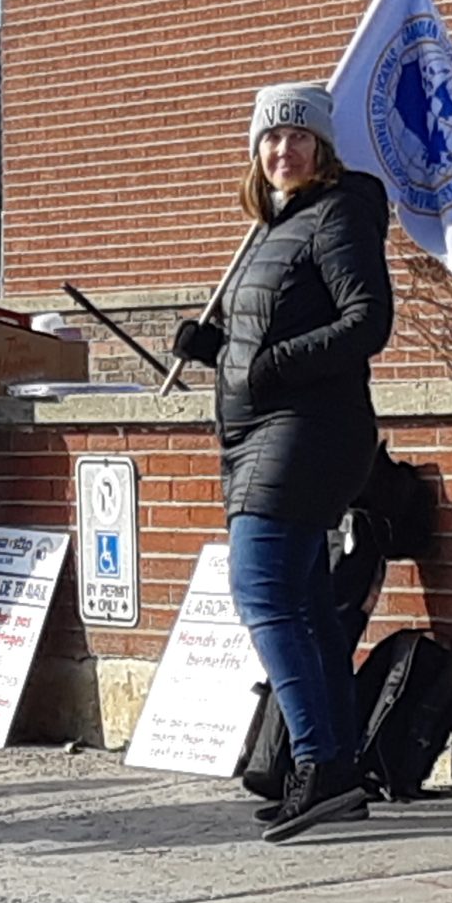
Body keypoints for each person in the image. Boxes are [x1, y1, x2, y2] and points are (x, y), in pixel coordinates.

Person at [171, 82, 393, 843]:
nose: (282, 150)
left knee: (262, 590)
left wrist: (272, 367)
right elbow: (267, 333)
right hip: (262, 435)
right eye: (270, 138)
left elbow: (367, 322)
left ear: (324, 149)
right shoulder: (278, 224)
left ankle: (319, 762)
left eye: (299, 138)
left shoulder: (339, 213)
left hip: (308, 432)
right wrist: (218, 350)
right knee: (302, 603)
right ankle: (341, 765)